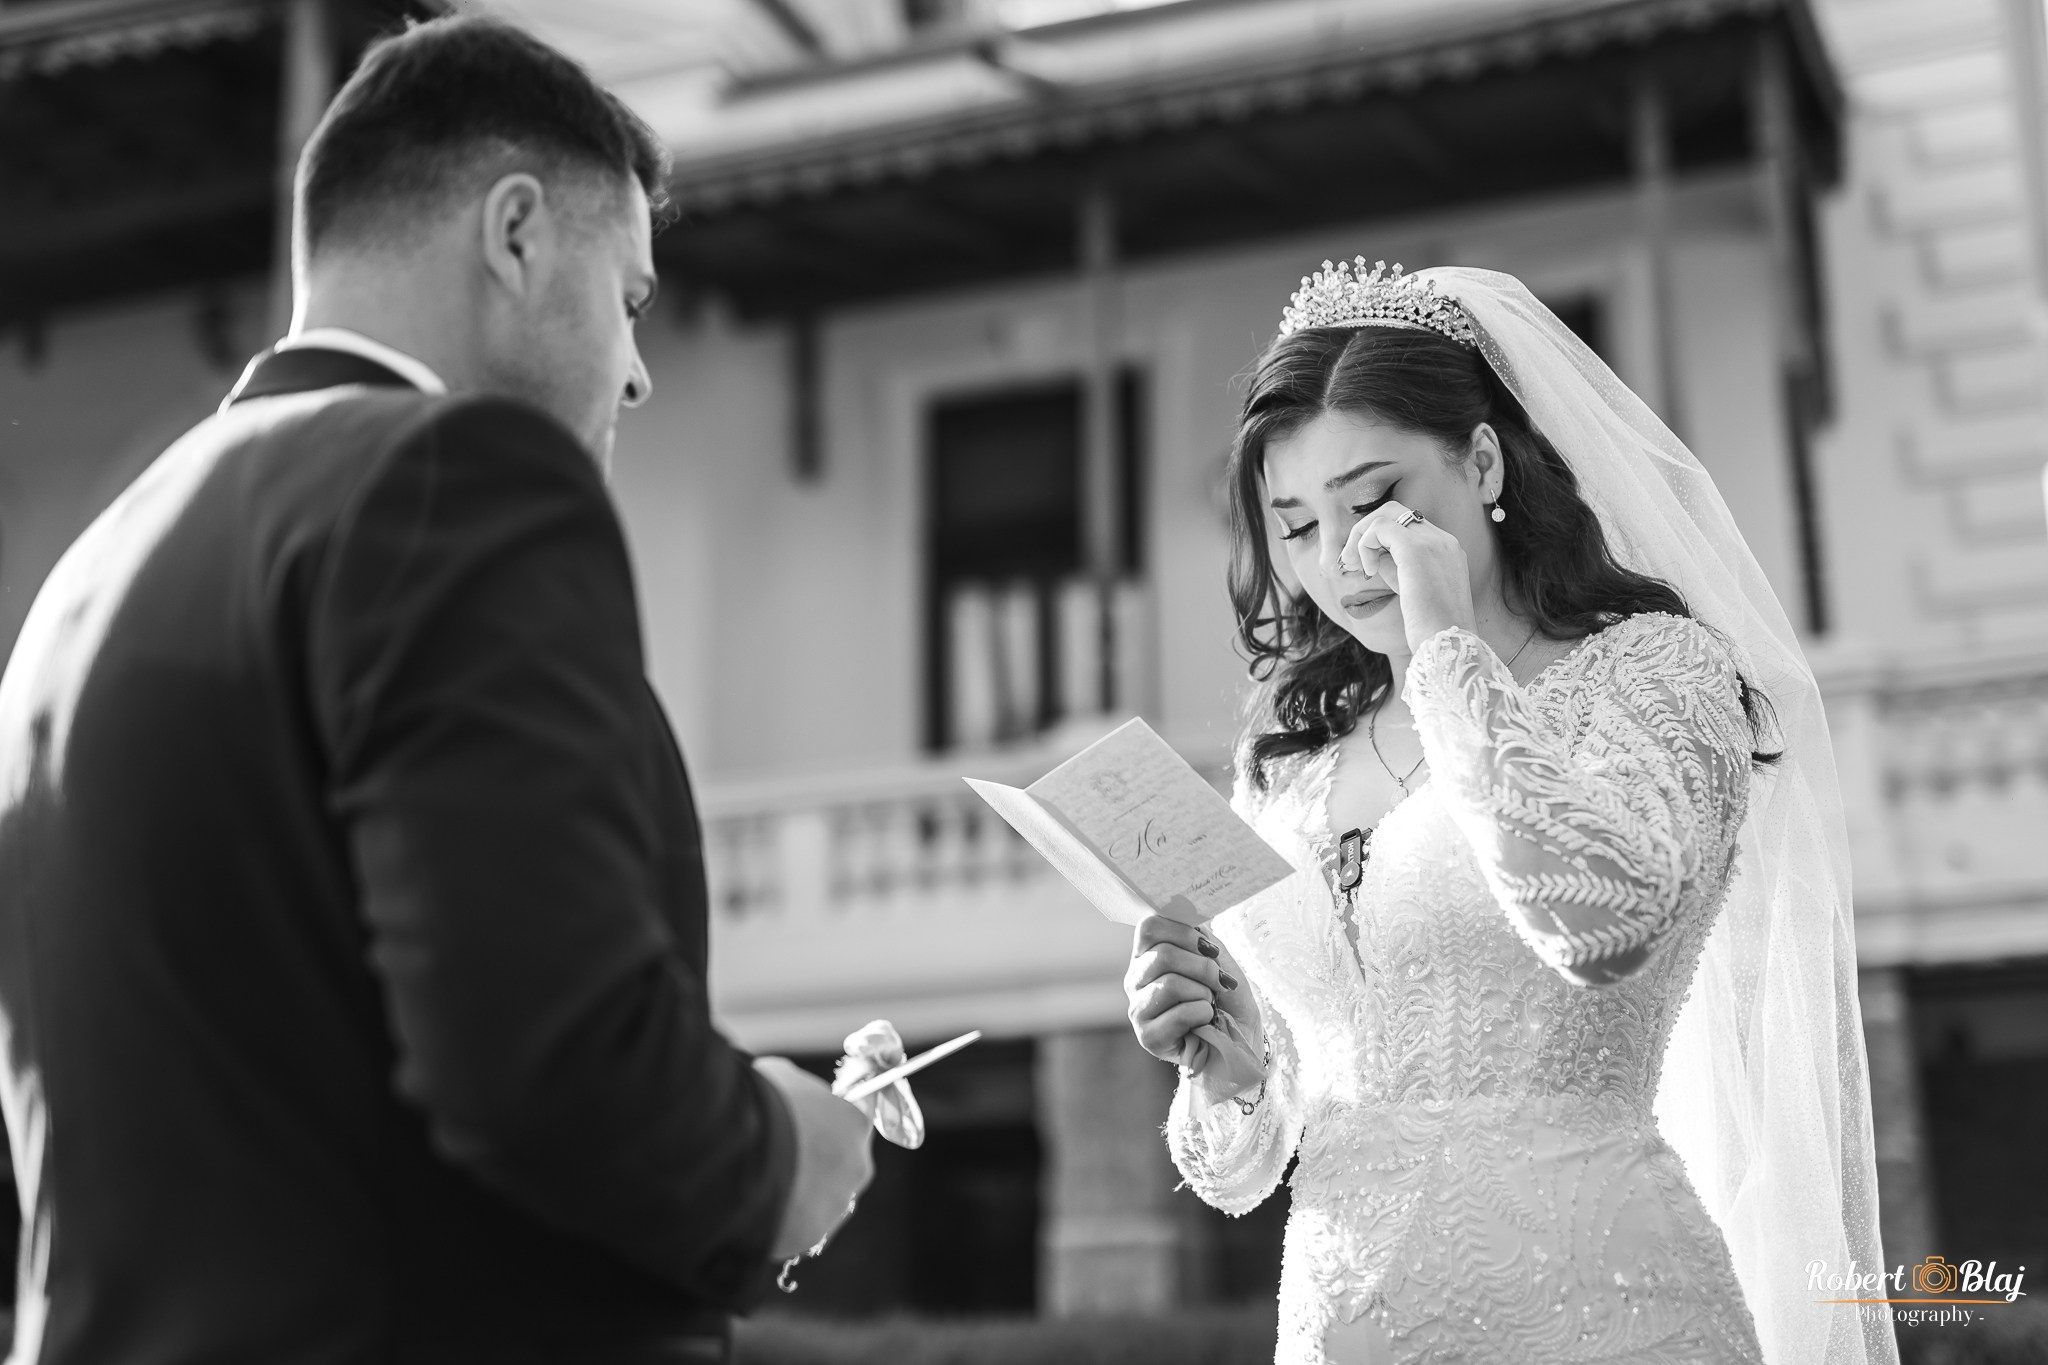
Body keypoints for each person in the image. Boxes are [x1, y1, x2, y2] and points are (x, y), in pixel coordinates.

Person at [0, 17, 872, 1364]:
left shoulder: (80, 579)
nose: (638, 369)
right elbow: (549, 1068)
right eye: (629, 300)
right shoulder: (457, 480)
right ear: (516, 234)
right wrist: (780, 1154)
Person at [1124, 262, 1898, 1365]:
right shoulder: (1290, 764)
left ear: (1480, 462)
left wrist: (1446, 648)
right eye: (1292, 526)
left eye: (1372, 500)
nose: (1338, 558)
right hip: (1337, 1322)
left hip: (1598, 1306)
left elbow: (1598, 925)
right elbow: (1260, 1155)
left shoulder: (1649, 676)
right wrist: (1228, 1066)